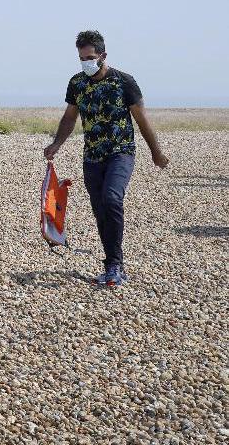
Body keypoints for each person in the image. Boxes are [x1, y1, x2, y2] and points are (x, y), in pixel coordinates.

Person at [44, 30, 169, 287]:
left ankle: (115, 264)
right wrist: (57, 143)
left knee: (112, 198)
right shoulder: (77, 83)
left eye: (90, 57)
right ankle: (112, 261)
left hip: (120, 153)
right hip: (92, 157)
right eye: (81, 58)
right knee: (100, 209)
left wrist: (156, 152)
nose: (86, 63)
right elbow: (70, 117)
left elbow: (141, 119)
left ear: (103, 55)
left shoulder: (124, 82)